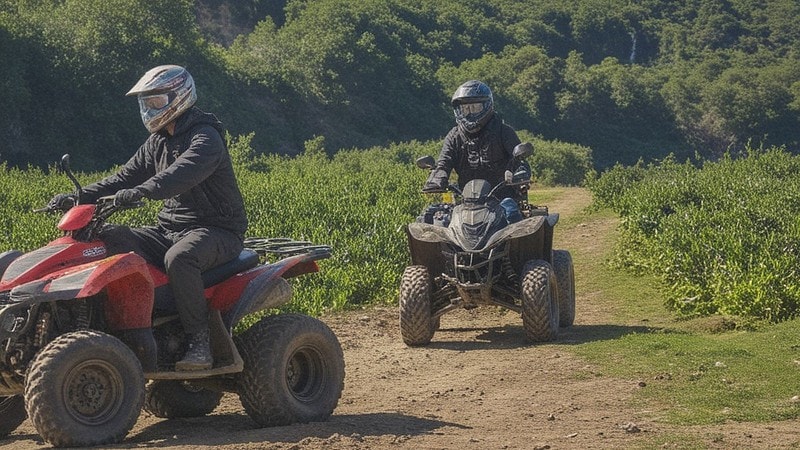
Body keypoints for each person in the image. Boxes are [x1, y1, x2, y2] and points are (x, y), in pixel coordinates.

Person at [49, 65, 248, 371]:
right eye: (146, 102)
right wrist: (78, 197)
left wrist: (142, 190)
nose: (150, 109)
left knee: (180, 258)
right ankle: (124, 324)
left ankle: (199, 340)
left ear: (180, 96)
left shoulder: (206, 137)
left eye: (156, 101)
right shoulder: (158, 141)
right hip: (169, 229)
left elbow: (182, 173)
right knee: (110, 237)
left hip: (217, 231)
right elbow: (122, 178)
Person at [423, 80, 531, 223]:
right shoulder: (454, 136)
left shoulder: (503, 131)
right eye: (465, 108)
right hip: (466, 201)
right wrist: (436, 179)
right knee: (434, 219)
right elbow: (444, 162)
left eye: (475, 107)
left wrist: (519, 173)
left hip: (501, 198)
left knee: (511, 213)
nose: (469, 112)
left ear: (487, 106)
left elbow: (519, 159)